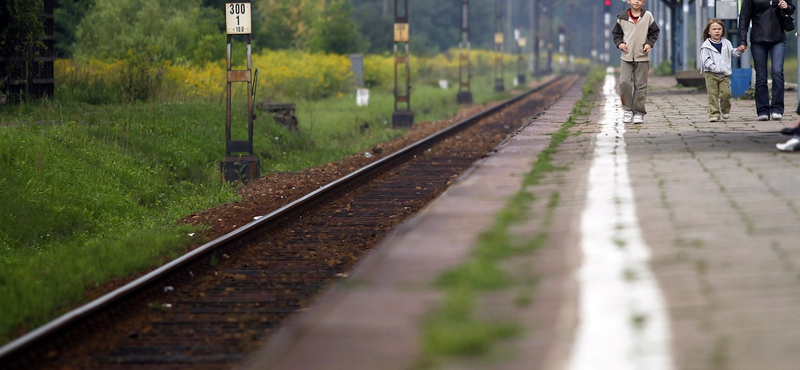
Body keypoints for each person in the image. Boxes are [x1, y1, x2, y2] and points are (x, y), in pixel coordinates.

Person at [738, 0, 796, 121]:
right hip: (758, 40)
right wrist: (742, 41)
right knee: (761, 76)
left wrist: (786, 6)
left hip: (778, 39)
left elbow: (791, 9)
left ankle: (777, 109)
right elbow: (744, 18)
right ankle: (763, 110)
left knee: (777, 72)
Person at [612, 0, 659, 124]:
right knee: (624, 82)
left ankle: (638, 113)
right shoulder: (622, 18)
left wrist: (649, 44)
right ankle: (627, 110)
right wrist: (620, 44)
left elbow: (654, 32)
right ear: (628, 1)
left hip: (642, 57)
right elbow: (616, 34)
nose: (636, 1)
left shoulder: (648, 16)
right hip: (626, 56)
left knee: (640, 85)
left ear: (643, 2)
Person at [700, 18, 742, 122]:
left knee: (726, 93)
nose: (717, 31)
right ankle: (714, 114)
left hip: (724, 74)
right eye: (714, 29)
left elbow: (732, 53)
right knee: (712, 95)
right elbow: (705, 59)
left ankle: (725, 109)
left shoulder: (726, 43)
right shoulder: (706, 45)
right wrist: (714, 67)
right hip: (711, 74)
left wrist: (739, 51)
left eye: (719, 29)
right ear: (709, 31)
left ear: (723, 30)